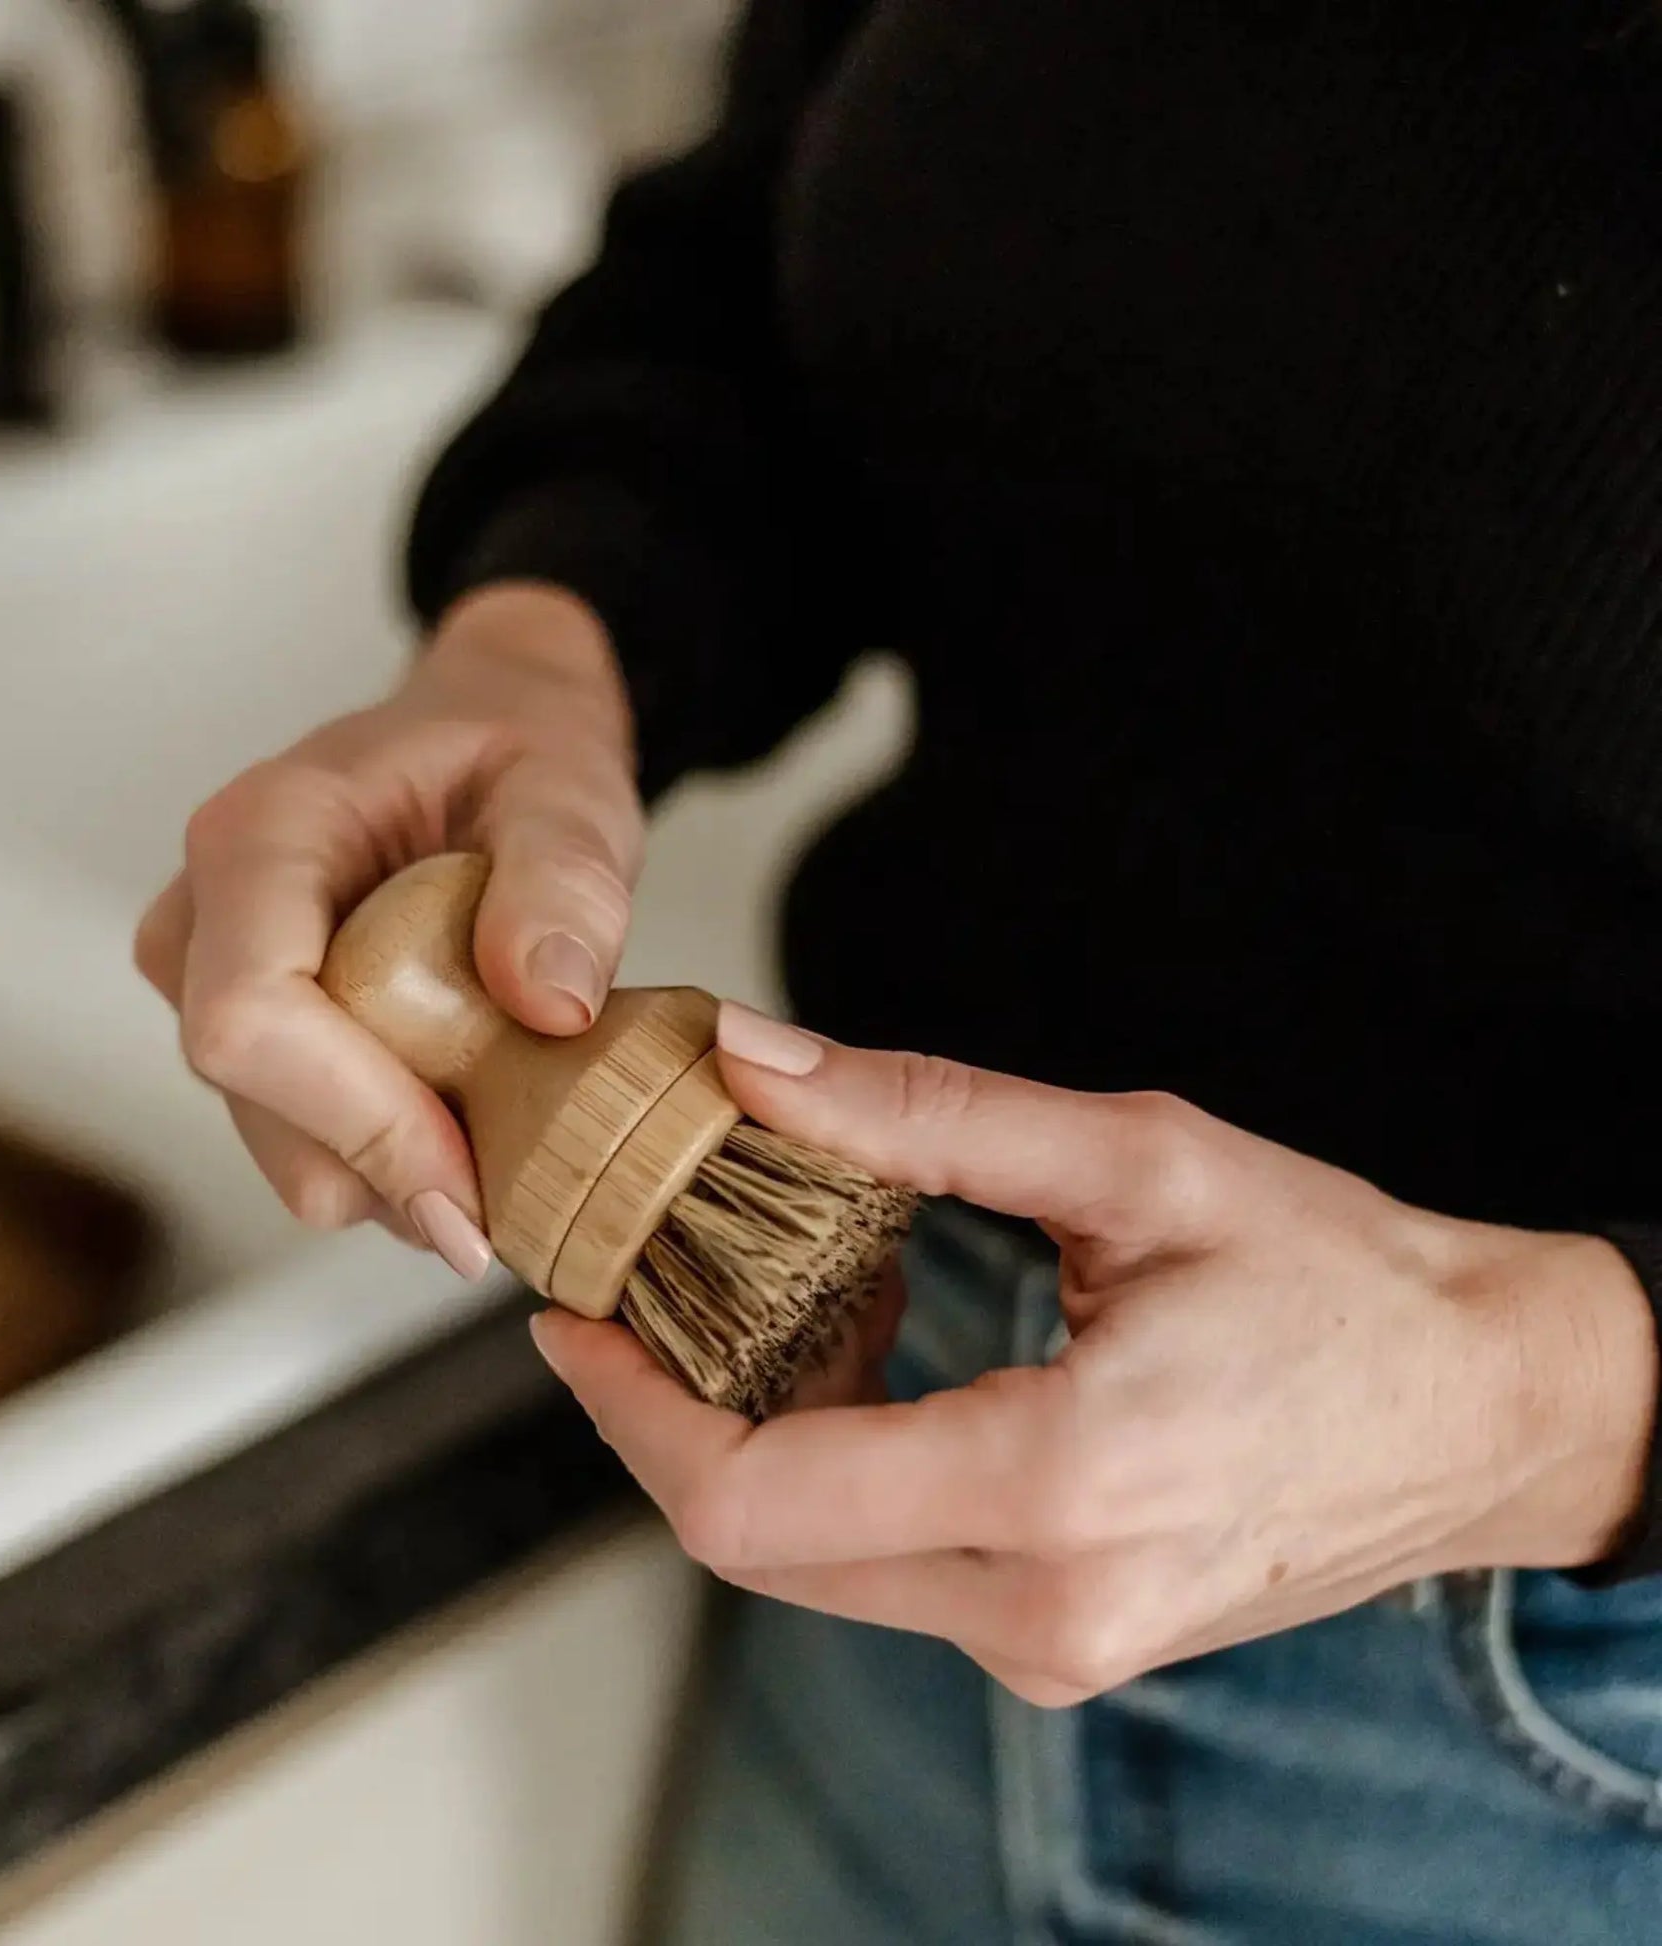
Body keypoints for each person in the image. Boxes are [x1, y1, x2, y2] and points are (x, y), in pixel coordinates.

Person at [134, 2, 1662, 1937]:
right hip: (878, 1455)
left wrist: (1565, 1393)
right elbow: (782, 236)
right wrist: (551, 624)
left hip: (1581, 1753)